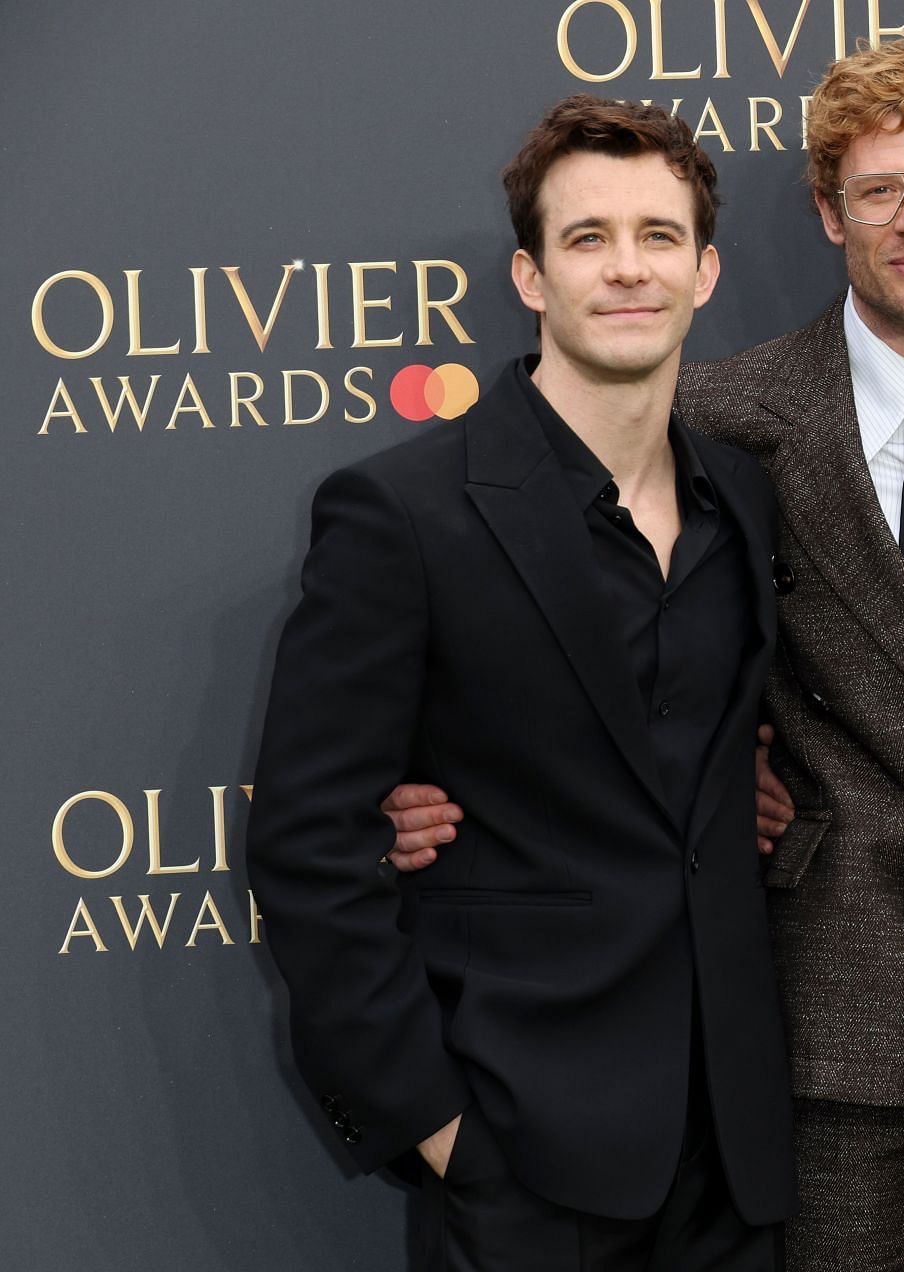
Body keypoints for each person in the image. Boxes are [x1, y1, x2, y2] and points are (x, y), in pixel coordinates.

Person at [385, 37, 904, 1272]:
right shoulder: (721, 415)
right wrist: (437, 791)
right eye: (877, 192)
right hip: (832, 996)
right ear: (827, 211)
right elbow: (593, 658)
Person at [245, 96, 792, 1271]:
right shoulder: (403, 512)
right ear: (530, 278)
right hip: (522, 1156)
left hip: (734, 1159)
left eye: (658, 236)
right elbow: (305, 843)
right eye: (587, 237)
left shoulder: (744, 500)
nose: (627, 268)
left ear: (704, 273)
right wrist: (439, 1131)